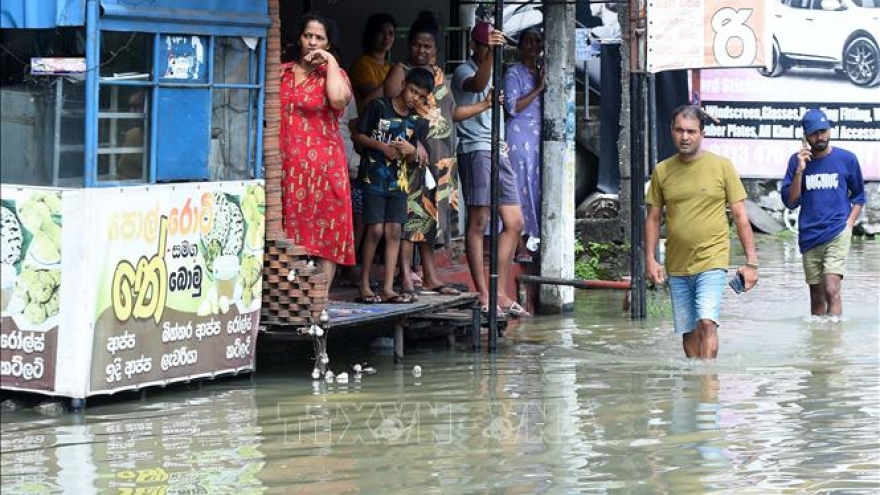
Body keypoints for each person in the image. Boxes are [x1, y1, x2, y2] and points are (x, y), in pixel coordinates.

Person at [644, 105, 758, 359]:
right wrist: (651, 259)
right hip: (677, 263)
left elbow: (740, 216)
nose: (685, 137)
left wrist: (751, 263)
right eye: (680, 131)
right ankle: (695, 387)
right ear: (671, 132)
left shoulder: (722, 166)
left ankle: (708, 391)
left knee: (706, 322)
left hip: (712, 259)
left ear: (702, 134)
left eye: (691, 131)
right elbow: (652, 219)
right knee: (689, 332)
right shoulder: (662, 171)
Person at [452, 21, 530, 318]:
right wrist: (490, 55)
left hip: (498, 148)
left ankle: (499, 291)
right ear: (476, 45)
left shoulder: (495, 70)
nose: (492, 50)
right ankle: (484, 292)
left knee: (515, 222)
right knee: (479, 220)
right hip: (476, 149)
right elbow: (475, 84)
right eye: (488, 45)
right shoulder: (464, 68)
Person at [384, 11, 462, 298]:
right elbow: (393, 107)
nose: (421, 50)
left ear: (436, 49)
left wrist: (486, 105)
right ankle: (405, 276)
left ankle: (430, 276)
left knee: (431, 222)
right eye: (417, 44)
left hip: (441, 161)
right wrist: (414, 142)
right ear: (409, 45)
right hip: (413, 158)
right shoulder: (401, 71)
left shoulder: (440, 75)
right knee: (411, 219)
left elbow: (451, 114)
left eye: (427, 46)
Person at [279, 12, 354, 289]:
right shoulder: (283, 72)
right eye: (308, 36)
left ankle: (319, 299)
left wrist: (330, 61)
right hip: (286, 165)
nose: (312, 42)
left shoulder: (335, 75)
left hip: (323, 166)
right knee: (287, 232)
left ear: (328, 43)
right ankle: (291, 297)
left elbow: (337, 100)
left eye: (319, 38)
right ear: (299, 38)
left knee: (325, 233)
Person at [353, 68, 434, 304]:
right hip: (373, 180)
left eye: (420, 96)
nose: (414, 98)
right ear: (403, 84)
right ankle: (365, 284)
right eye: (412, 91)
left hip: (399, 184)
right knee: (375, 230)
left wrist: (412, 152)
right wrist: (381, 147)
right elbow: (358, 135)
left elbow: (413, 158)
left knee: (394, 232)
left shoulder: (417, 121)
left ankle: (388, 288)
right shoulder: (379, 107)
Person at [780, 108, 865, 317]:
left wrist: (849, 223)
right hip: (809, 234)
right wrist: (800, 170)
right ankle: (819, 345)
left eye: (823, 131)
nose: (820, 137)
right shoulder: (796, 162)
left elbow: (859, 196)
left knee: (831, 289)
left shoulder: (847, 159)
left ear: (829, 131)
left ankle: (834, 344)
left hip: (838, 231)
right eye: (814, 133)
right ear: (805, 136)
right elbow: (791, 202)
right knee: (817, 295)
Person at [503, 27, 545, 263]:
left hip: (538, 139)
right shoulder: (513, 73)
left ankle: (531, 241)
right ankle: (518, 245)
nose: (532, 46)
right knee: (519, 189)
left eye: (536, 41)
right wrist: (538, 88)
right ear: (519, 47)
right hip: (519, 139)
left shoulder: (541, 71)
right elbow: (512, 107)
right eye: (527, 41)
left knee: (535, 189)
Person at [349, 13, 396, 114]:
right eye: (381, 32)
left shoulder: (392, 67)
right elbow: (374, 100)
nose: (387, 37)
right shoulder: (361, 65)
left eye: (391, 33)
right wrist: (394, 80)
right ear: (371, 35)